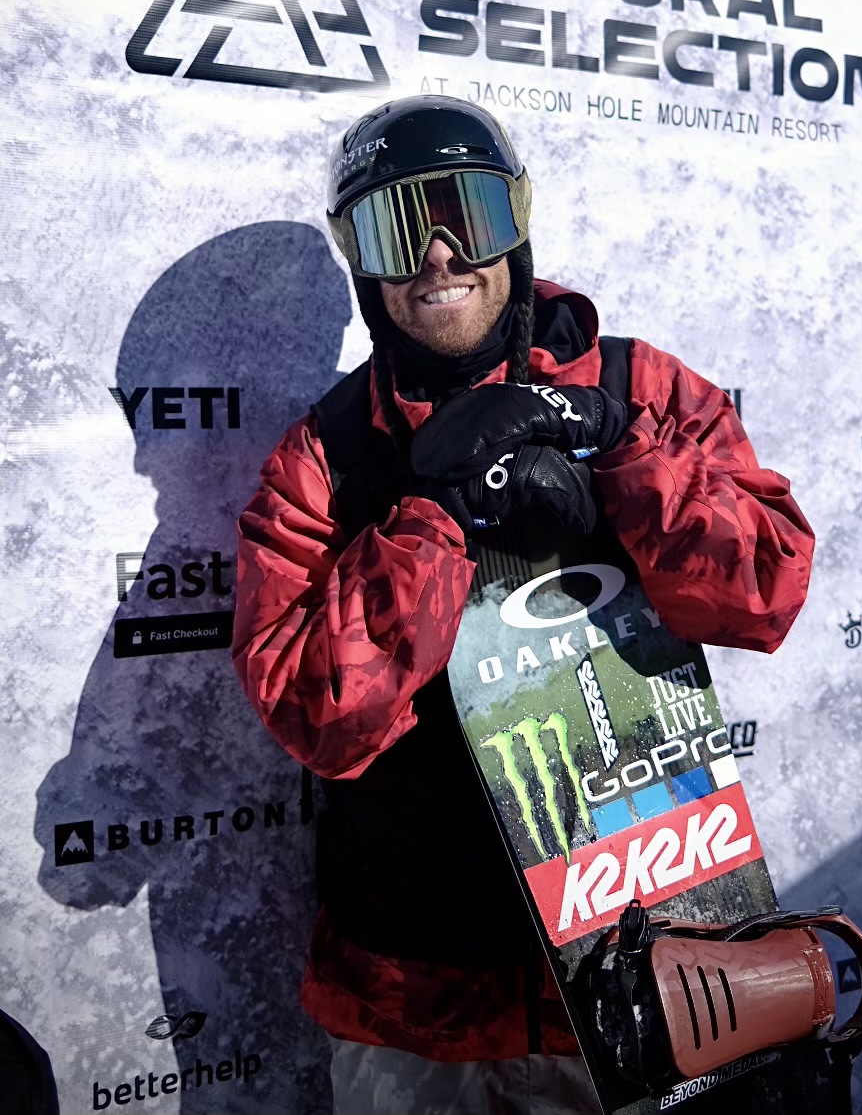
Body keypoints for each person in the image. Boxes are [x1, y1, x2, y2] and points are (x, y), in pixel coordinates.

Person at [232, 95, 815, 1115]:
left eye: (468, 212)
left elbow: (765, 587)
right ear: (359, 260)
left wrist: (614, 449)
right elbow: (312, 710)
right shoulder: (327, 455)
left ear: (519, 216)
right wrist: (434, 520)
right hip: (418, 1007)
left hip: (647, 970)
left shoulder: (641, 388)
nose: (439, 254)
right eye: (398, 226)